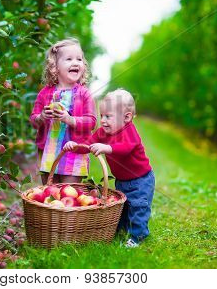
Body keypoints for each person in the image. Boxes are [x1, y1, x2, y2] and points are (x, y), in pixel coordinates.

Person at [64, 89, 154, 248]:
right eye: (101, 116)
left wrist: (107, 148)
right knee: (123, 208)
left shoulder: (130, 131)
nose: (103, 121)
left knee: (138, 207)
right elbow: (87, 144)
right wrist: (75, 146)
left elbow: (125, 148)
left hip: (141, 180)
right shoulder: (102, 132)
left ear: (126, 117)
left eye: (108, 116)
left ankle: (138, 236)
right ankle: (120, 231)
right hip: (122, 180)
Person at [29, 38, 96, 185]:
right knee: (49, 193)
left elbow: (91, 122)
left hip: (74, 152)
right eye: (69, 59)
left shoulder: (84, 93)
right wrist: (42, 117)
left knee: (69, 192)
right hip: (48, 151)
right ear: (55, 67)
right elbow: (33, 119)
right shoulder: (45, 93)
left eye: (79, 59)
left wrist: (70, 119)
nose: (76, 62)